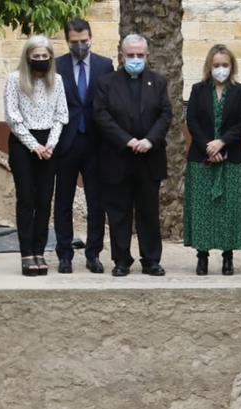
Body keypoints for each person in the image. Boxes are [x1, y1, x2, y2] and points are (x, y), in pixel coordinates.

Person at [93, 34, 173, 277]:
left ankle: (151, 260)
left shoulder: (158, 82)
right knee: (119, 213)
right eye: (131, 55)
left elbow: (165, 114)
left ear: (147, 56)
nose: (135, 59)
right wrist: (127, 140)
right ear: (121, 55)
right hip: (118, 158)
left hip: (149, 158)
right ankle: (121, 260)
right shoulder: (106, 83)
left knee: (149, 212)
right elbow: (101, 115)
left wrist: (149, 140)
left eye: (140, 55)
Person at [184, 44, 241, 275]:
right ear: (209, 66)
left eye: (225, 65)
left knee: (230, 208)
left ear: (232, 66)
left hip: (232, 157)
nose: (220, 69)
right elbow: (192, 121)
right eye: (216, 65)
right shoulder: (198, 90)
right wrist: (209, 146)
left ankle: (228, 257)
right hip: (201, 157)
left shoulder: (240, 91)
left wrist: (222, 142)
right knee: (202, 208)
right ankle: (202, 256)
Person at [5, 35, 69, 276]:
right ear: (27, 57)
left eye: (45, 56)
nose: (41, 60)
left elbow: (61, 115)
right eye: (36, 56)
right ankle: (26, 254)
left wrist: (49, 144)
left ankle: (40, 251)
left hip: (49, 144)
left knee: (44, 200)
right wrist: (34, 145)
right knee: (27, 199)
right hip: (24, 143)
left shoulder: (58, 81)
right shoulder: (14, 79)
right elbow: (13, 117)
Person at [54, 19, 114, 274]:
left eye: (84, 41)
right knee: (63, 202)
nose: (80, 46)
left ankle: (94, 254)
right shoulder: (57, 66)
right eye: (74, 42)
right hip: (66, 143)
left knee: (96, 203)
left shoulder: (104, 65)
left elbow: (110, 102)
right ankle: (64, 254)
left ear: (91, 38)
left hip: (96, 143)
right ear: (67, 41)